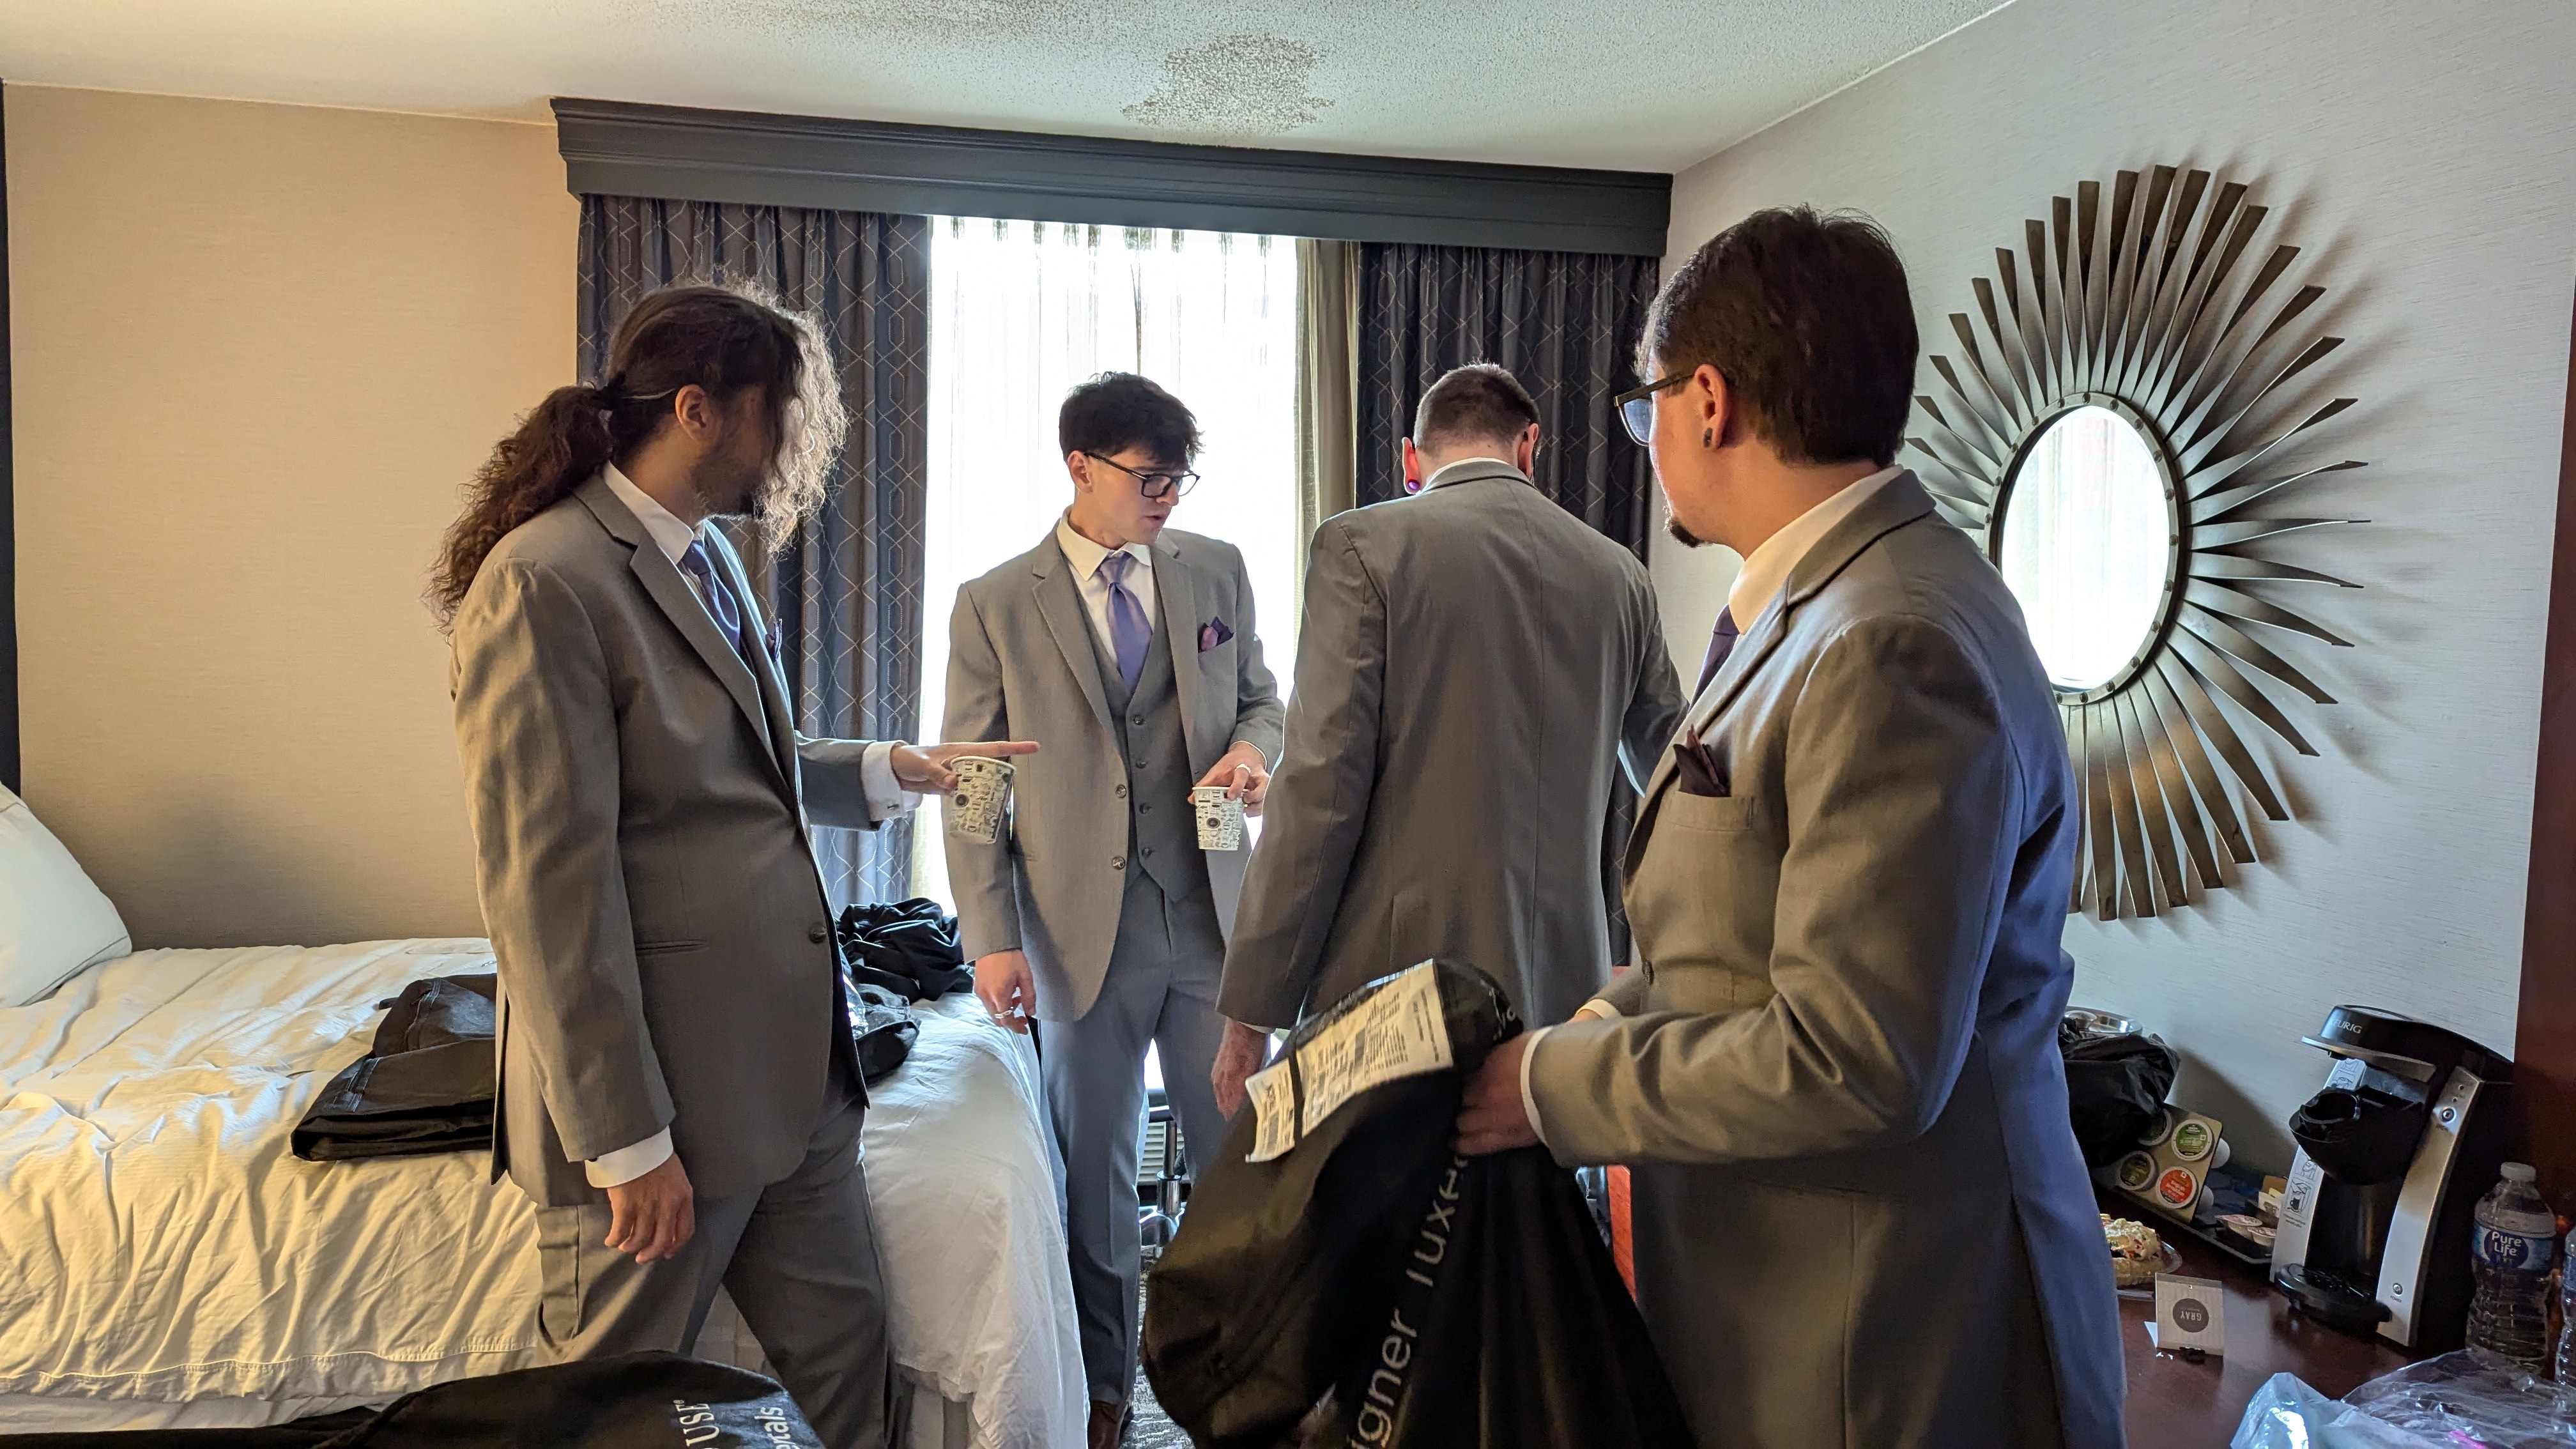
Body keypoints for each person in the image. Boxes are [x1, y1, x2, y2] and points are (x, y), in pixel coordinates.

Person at [1455, 208, 2124, 1447]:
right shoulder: (1810, 606)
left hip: (1880, 1329)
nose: (1646, 437)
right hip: (1787, 1292)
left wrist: (1551, 1087)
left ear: (1706, 400)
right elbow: (1742, 937)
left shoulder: (1891, 639)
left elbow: (1856, 1055)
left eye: (1643, 405)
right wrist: (1609, 1011)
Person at [438, 284, 1034, 1449]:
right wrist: (626, 1138)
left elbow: (733, 762)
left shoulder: (705, 553)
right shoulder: (547, 577)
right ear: (700, 409)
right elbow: (547, 887)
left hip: (788, 1080)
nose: (791, 444)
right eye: (779, 413)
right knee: (614, 1403)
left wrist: (884, 767)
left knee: (846, 1366)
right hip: (667, 1095)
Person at [940, 372, 1284, 1449]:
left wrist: (1250, 749)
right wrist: (990, 936)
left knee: (1242, 1155)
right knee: (1096, 1179)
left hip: (1213, 913)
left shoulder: (1214, 568)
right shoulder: (995, 600)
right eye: (1150, 476)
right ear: (1080, 468)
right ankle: (1101, 1388)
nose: (1169, 497)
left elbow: (1266, 695)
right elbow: (973, 781)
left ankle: (1242, 1371)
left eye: (1180, 476)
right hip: (1075, 932)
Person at [1209, 363, 1684, 1114]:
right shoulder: (1620, 575)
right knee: (1531, 1226)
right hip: (1564, 1006)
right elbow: (1675, 785)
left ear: (1410, 461)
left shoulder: (1361, 548)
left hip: (1395, 1002)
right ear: (1530, 447)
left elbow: (1319, 796)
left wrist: (1251, 1014)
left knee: (1395, 1227)